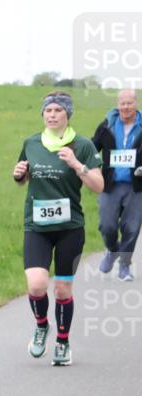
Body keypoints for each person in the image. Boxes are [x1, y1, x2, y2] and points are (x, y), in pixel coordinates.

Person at [13, 90, 103, 366]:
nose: (51, 115)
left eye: (57, 111)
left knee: (62, 290)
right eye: (48, 111)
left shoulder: (84, 145)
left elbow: (99, 186)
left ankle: (62, 343)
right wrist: (19, 176)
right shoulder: (31, 143)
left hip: (70, 228)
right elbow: (23, 176)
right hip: (37, 226)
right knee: (38, 286)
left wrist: (77, 164)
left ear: (67, 114)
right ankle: (42, 325)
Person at [92, 89, 142, 281]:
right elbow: (92, 147)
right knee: (107, 226)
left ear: (136, 104)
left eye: (129, 103)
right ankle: (112, 250)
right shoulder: (107, 124)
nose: (126, 107)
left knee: (132, 228)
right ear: (117, 104)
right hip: (110, 185)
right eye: (122, 103)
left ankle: (124, 266)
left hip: (136, 187)